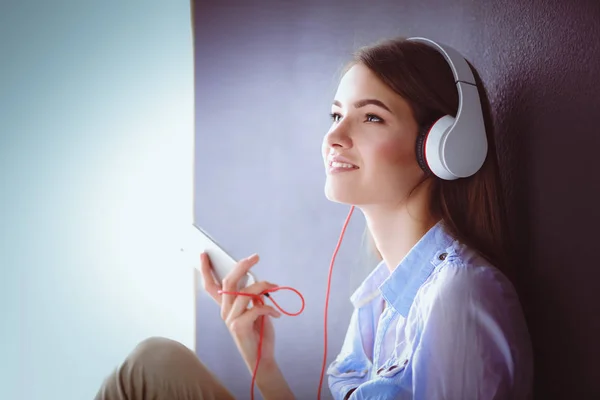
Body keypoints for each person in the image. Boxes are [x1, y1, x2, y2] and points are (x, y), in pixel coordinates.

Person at [95, 36, 534, 400]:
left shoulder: (459, 295)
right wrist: (262, 366)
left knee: (147, 369)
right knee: (155, 362)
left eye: (371, 117)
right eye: (337, 115)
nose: (334, 137)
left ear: (442, 147)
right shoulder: (379, 300)